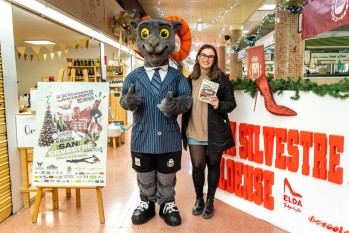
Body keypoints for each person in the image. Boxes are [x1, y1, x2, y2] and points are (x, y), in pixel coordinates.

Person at [120, 17, 192, 227]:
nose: (152, 42)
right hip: (142, 137)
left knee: (167, 176)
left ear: (172, 38)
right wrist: (128, 101)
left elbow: (187, 100)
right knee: (145, 175)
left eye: (161, 35)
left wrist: (176, 105)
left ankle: (168, 202)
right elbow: (123, 99)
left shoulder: (177, 77)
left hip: (168, 138)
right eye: (145, 35)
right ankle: (146, 202)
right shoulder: (133, 76)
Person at [181, 44, 237, 219]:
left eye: (210, 56)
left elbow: (232, 103)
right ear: (198, 57)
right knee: (197, 167)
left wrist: (219, 104)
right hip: (194, 131)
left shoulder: (221, 79)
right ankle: (199, 199)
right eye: (203, 55)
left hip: (214, 133)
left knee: (213, 166)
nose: (206, 59)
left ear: (215, 60)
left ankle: (210, 200)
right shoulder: (189, 79)